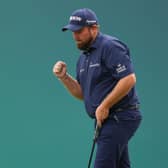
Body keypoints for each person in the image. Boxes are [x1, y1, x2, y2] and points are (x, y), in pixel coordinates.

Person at [53, 8, 142, 168]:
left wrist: (105, 105)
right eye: (72, 32)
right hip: (105, 120)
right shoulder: (83, 58)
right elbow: (83, 93)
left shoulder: (109, 46)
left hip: (120, 117)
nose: (75, 36)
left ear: (94, 28)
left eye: (79, 31)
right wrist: (64, 77)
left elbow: (129, 79)